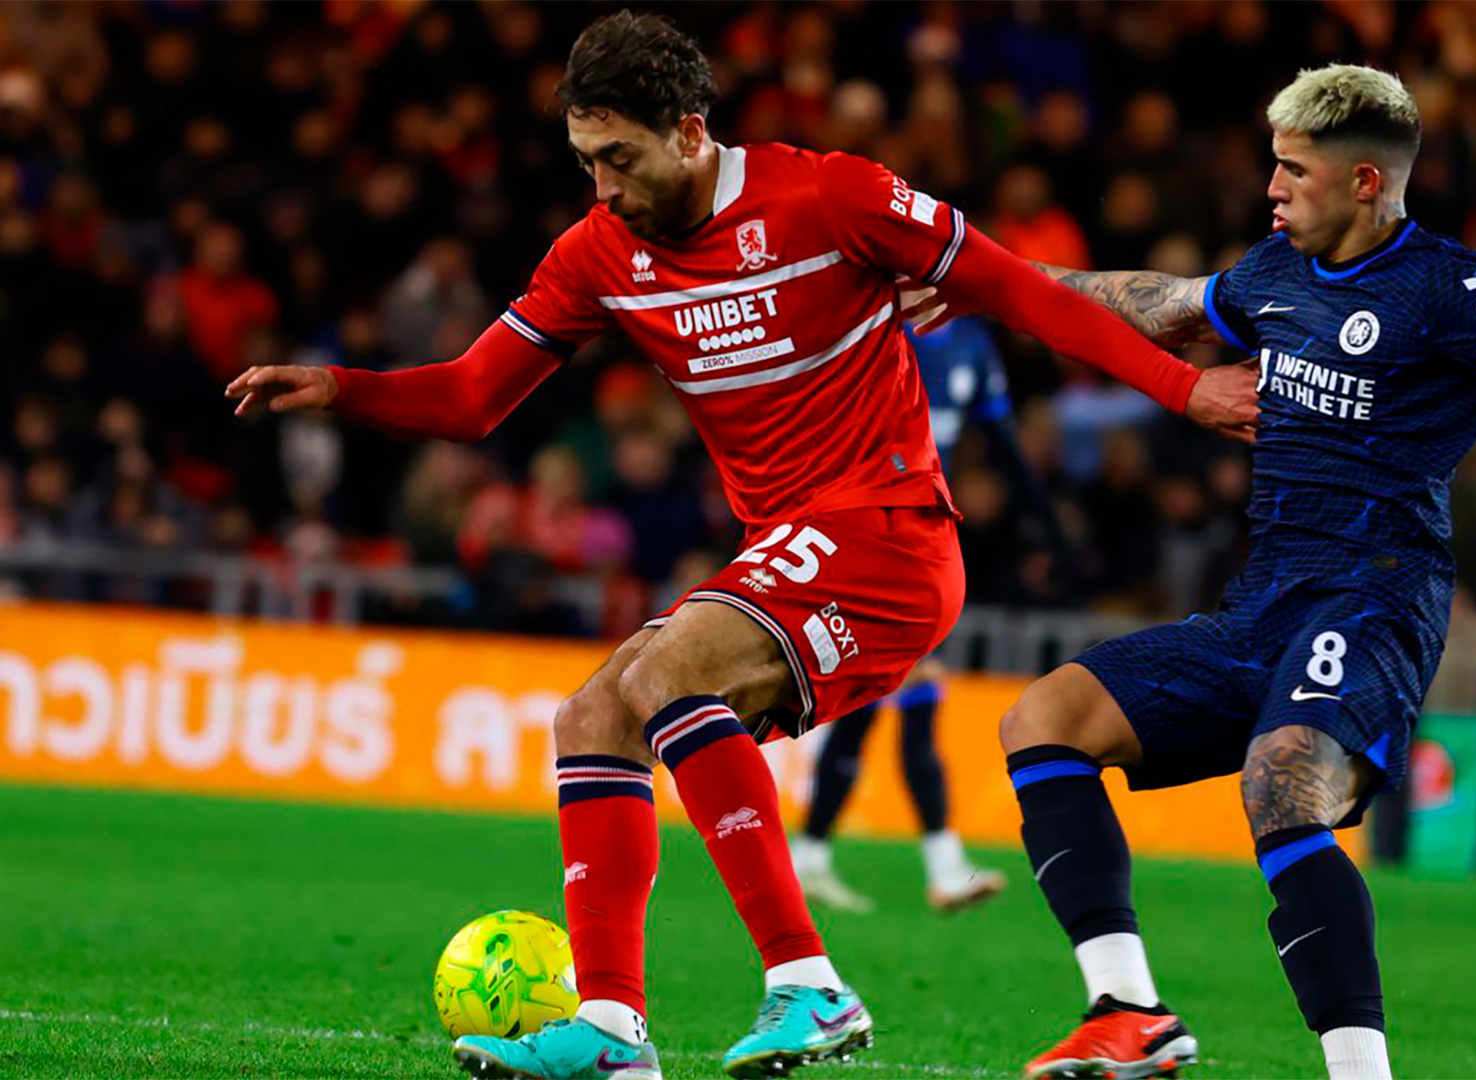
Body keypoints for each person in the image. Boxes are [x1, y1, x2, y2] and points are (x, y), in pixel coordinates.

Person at [224, 13, 1257, 1080]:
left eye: (619, 158)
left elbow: (1022, 291)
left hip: (889, 533)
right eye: (585, 162)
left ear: (689, 131)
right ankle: (612, 1030)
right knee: (591, 717)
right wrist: (340, 388)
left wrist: (1183, 389)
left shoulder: (830, 196)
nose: (603, 188)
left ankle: (810, 986)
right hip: (793, 548)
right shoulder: (598, 253)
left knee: (666, 672)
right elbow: (472, 397)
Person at [982, 65, 1476, 1080]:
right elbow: (1162, 305)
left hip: (1377, 593)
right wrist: (988, 278)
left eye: (1293, 169)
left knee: (1282, 780)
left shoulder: (1450, 288)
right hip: (1265, 601)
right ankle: (1129, 1012)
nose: (1272, 188)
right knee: (1044, 718)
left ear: (1366, 181)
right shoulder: (1274, 272)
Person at [791, 318, 1064, 915]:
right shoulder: (878, 328)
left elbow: (1001, 445)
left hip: (922, 529)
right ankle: (938, 866)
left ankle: (813, 856)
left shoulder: (973, 343)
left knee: (876, 699)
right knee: (910, 688)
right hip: (870, 524)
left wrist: (1047, 527)